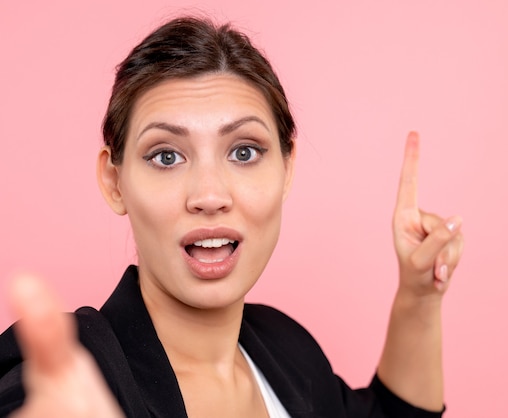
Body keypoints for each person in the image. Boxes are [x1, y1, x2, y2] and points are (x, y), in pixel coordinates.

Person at [0, 16, 463, 418]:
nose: (209, 195)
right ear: (113, 181)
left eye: (244, 151)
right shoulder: (77, 369)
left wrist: (419, 295)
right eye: (165, 156)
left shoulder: (286, 351)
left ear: (286, 169)